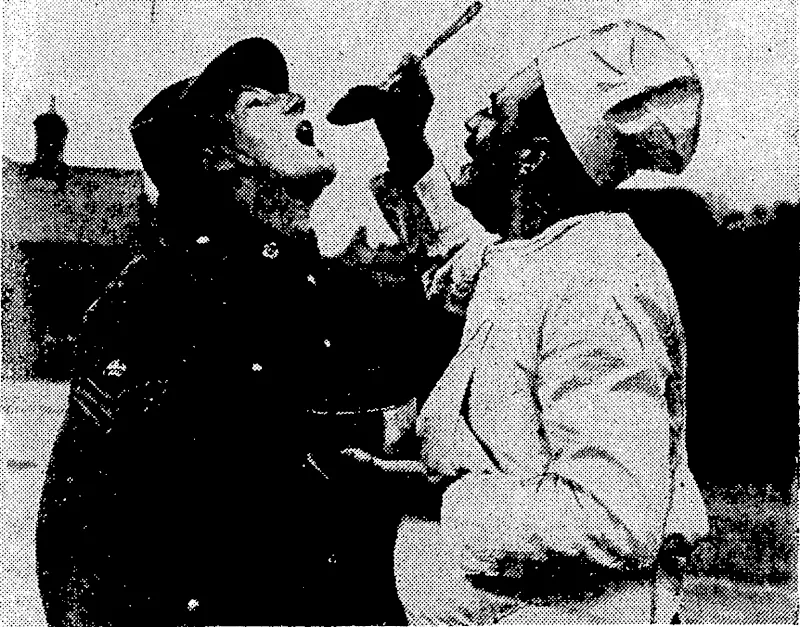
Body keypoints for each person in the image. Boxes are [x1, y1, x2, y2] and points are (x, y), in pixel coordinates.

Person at [35, 38, 446, 626]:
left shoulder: (312, 281)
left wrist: (405, 147)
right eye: (261, 102)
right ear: (216, 161)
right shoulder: (157, 299)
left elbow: (455, 318)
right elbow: (83, 538)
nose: (297, 101)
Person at [336, 21, 710, 624]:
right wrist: (406, 145)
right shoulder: (540, 255)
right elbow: (457, 261)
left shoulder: (599, 279)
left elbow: (617, 517)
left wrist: (420, 493)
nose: (471, 129)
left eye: (492, 114)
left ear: (530, 158)